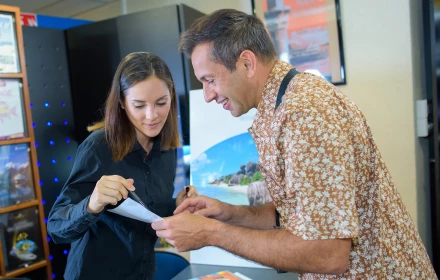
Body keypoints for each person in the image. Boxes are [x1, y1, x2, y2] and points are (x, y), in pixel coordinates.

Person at [152, 9, 438, 279]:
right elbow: (298, 214)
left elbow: (327, 253)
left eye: (210, 80)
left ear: (247, 63)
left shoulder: (305, 111)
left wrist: (211, 233)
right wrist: (230, 214)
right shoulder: (281, 105)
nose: (207, 96)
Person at [47, 52, 196, 280]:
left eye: (161, 103)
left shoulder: (168, 147)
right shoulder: (98, 146)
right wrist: (93, 203)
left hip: (142, 272)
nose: (152, 115)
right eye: (139, 105)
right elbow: (56, 227)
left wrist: (177, 204)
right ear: (122, 103)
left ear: (171, 97)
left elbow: (147, 212)